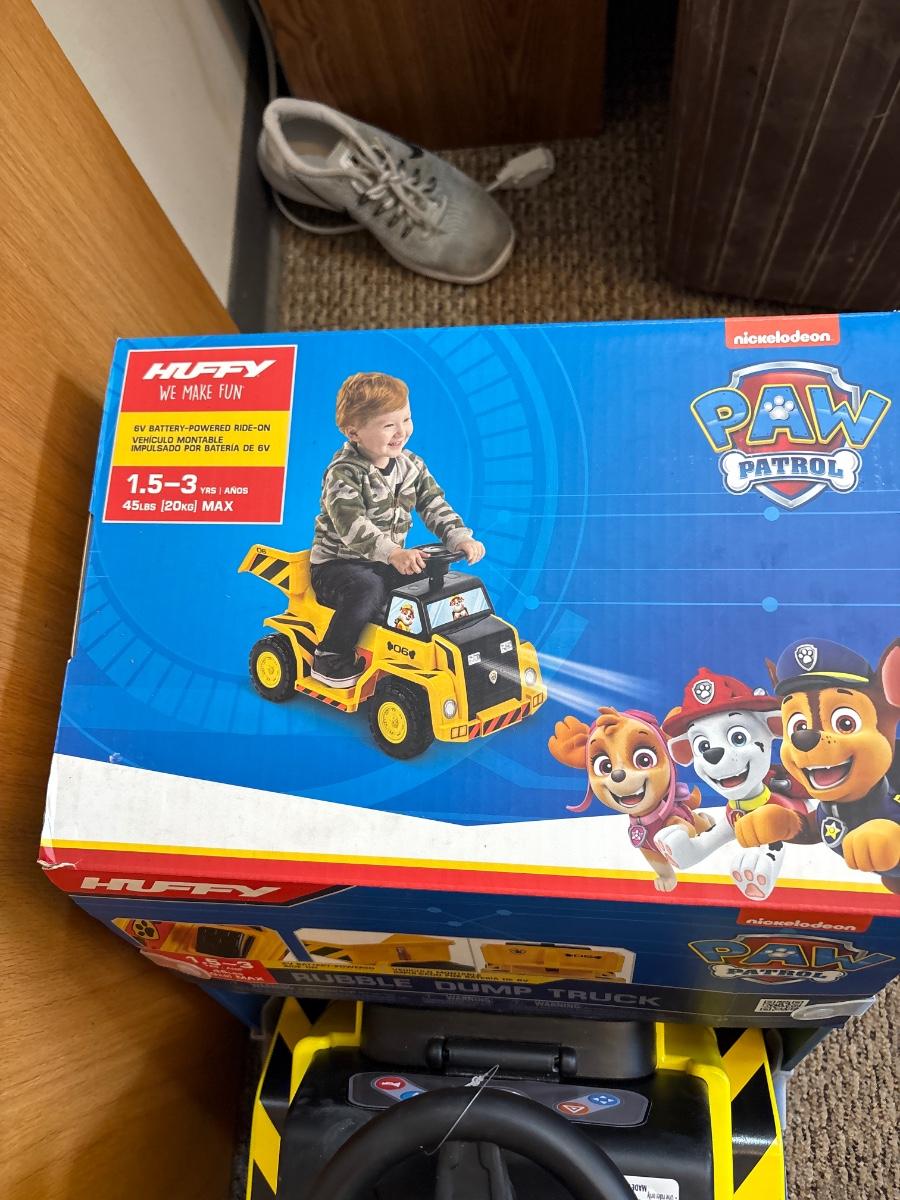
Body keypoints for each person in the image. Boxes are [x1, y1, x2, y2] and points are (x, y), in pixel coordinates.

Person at [309, 372, 484, 687]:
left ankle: (429, 645)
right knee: (367, 588)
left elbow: (433, 503)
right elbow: (351, 526)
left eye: (406, 419)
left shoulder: (411, 465)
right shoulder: (343, 473)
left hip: (385, 560)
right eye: (388, 425)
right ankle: (330, 655)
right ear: (354, 432)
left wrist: (458, 536)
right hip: (338, 565)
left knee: (431, 577)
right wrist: (393, 553)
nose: (401, 431)